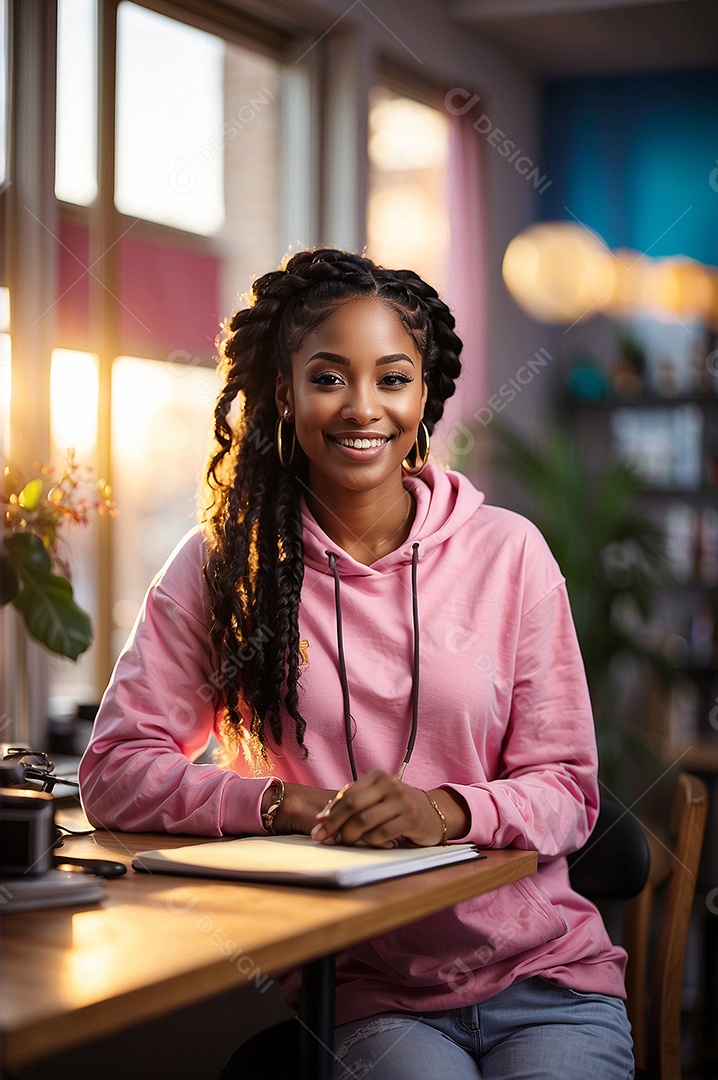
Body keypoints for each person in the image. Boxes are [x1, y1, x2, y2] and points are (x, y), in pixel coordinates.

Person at [79, 248, 634, 1079]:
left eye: (393, 378)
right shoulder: (223, 566)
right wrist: (285, 804)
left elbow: (568, 790)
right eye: (330, 377)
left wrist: (443, 811)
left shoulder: (510, 553)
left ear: (423, 396)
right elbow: (116, 771)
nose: (362, 407)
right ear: (283, 392)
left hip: (547, 978)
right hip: (370, 993)